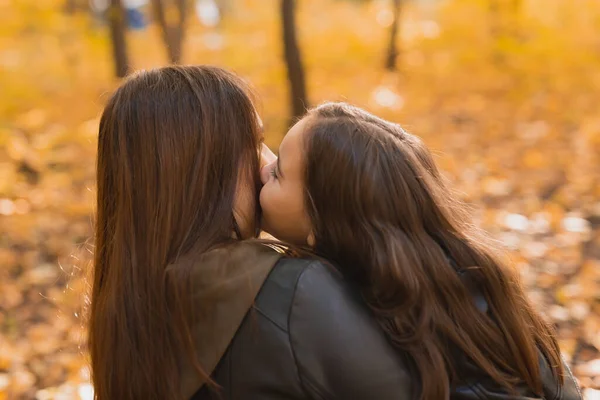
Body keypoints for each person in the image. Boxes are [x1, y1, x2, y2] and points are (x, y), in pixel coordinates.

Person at [88, 66, 414, 400]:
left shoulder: (124, 323)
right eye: (255, 144)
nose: (268, 165)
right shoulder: (294, 293)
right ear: (207, 168)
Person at [259, 102, 582, 400]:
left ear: (325, 221)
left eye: (278, 172)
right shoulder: (462, 271)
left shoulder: (359, 310)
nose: (263, 169)